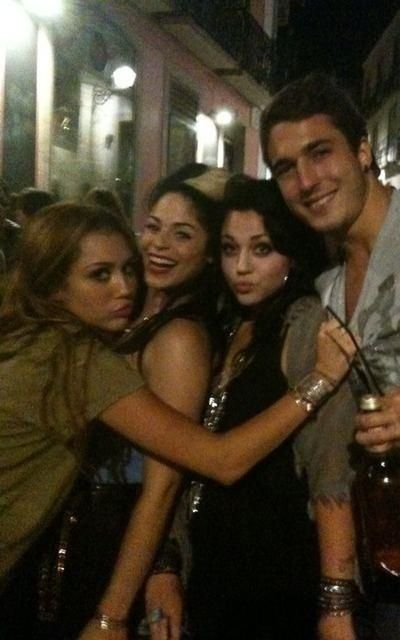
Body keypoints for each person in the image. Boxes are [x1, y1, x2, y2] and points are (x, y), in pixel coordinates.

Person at [0, 201, 355, 639]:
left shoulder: (28, 337)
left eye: (128, 269)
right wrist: (319, 380)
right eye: (100, 275)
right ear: (52, 285)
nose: (124, 287)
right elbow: (222, 460)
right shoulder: (71, 357)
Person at [260, 70, 400, 640]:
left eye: (320, 153)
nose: (307, 181)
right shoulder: (330, 291)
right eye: (286, 168)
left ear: (362, 152)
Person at [146, 175, 329, 640]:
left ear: (293, 253)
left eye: (262, 249)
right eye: (230, 249)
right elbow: (184, 461)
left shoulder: (304, 325)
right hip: (209, 575)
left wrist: (337, 603)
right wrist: (167, 562)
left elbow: (331, 475)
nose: (241, 267)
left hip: (274, 584)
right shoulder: (228, 322)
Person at [75, 165, 229, 639]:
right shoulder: (134, 313)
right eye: (154, 227)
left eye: (182, 235)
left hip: (119, 547)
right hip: (86, 534)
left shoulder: (180, 338)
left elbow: (163, 486)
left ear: (209, 254)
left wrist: (113, 613)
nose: (159, 245)